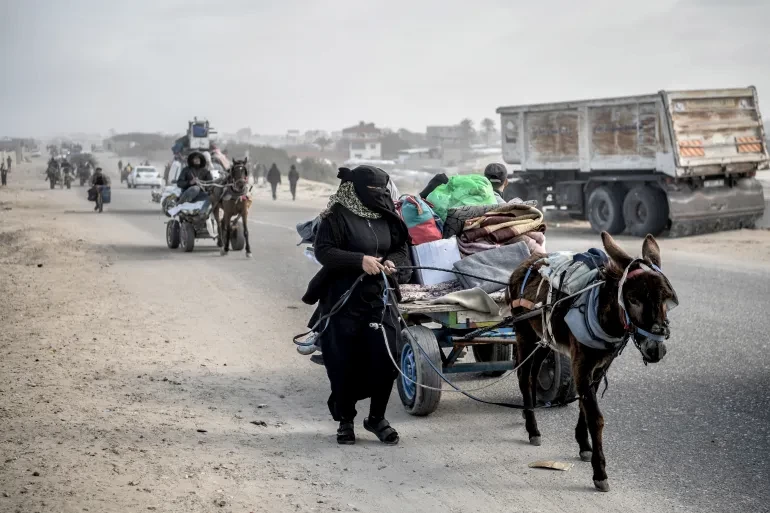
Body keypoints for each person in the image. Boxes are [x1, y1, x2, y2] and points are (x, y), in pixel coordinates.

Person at [303, 166, 412, 446]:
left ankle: (377, 418)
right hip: (344, 300)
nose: (379, 195)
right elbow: (324, 250)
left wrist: (392, 264)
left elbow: (401, 249)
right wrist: (359, 260)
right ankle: (346, 421)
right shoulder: (337, 215)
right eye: (373, 190)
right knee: (343, 363)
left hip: (380, 298)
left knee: (386, 359)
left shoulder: (387, 213)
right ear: (357, 189)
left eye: (382, 190)